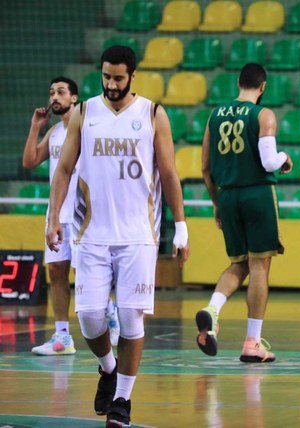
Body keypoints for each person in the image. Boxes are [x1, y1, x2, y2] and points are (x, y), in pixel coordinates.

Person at [46, 46, 190, 426]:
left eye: (118, 78)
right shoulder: (84, 112)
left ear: (133, 76)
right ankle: (108, 368)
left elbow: (170, 174)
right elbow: (63, 171)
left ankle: (123, 400)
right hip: (92, 235)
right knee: (91, 319)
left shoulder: (153, 114)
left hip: (138, 237)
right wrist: (53, 219)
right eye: (106, 77)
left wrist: (182, 226)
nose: (111, 84)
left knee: (130, 319)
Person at [197, 63, 292, 363]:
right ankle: (252, 342)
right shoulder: (263, 115)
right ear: (263, 87)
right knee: (260, 266)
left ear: (238, 82)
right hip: (257, 193)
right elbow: (268, 161)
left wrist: (216, 203)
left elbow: (205, 168)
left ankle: (212, 310)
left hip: (227, 196)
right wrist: (285, 159)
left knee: (238, 263)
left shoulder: (215, 115)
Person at [22, 77, 120, 355]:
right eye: (52, 91)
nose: (55, 96)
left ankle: (110, 311)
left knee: (85, 274)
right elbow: (29, 162)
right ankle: (63, 337)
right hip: (56, 214)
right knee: (56, 272)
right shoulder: (54, 131)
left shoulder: (87, 129)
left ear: (74, 99)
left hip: (81, 215)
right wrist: (34, 127)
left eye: (61, 92)